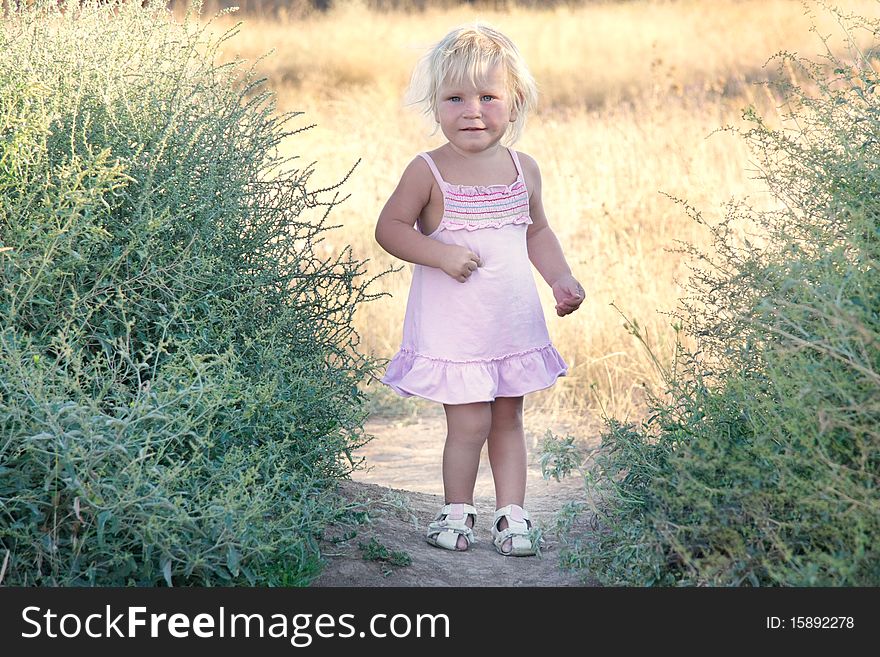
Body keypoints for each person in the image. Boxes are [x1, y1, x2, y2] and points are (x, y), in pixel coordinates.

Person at [374, 23, 584, 556]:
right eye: (455, 98)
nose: (472, 110)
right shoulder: (427, 171)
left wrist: (560, 277)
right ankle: (457, 509)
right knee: (469, 422)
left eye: (488, 97)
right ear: (436, 106)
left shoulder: (523, 169)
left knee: (509, 417)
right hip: (457, 327)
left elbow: (536, 231)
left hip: (508, 321)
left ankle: (512, 515)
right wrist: (440, 253)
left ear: (514, 104)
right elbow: (391, 229)